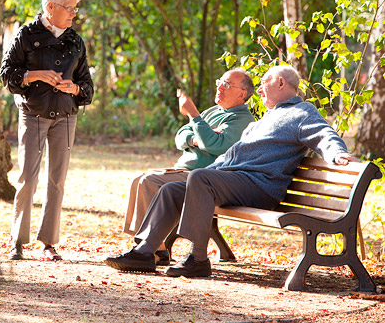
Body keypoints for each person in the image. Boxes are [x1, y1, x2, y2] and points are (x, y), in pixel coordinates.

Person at [105, 64, 358, 277]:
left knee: (200, 177)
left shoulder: (301, 112)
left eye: (263, 83)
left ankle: (198, 259)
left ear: (281, 83)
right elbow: (230, 155)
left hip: (260, 185)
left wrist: (336, 153)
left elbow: (325, 133)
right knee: (172, 189)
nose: (258, 90)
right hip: (235, 180)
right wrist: (211, 170)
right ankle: (144, 252)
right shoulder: (265, 118)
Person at [0, 0, 94, 261]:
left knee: (57, 181)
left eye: (75, 8)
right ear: (50, 7)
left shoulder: (76, 39)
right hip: (33, 113)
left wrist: (74, 89)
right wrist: (36, 75)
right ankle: (17, 240)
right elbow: (7, 74)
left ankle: (49, 243)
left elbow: (87, 84)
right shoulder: (26, 34)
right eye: (69, 8)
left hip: (66, 116)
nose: (74, 14)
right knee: (27, 178)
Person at [123, 68, 255, 265]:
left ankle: (152, 250)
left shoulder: (241, 120)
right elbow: (180, 136)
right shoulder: (213, 111)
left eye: (227, 84)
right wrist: (197, 138)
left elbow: (215, 145)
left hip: (202, 178)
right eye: (220, 81)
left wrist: (194, 115)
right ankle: (153, 247)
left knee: (149, 182)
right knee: (138, 179)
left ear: (242, 94)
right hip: (181, 171)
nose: (219, 87)